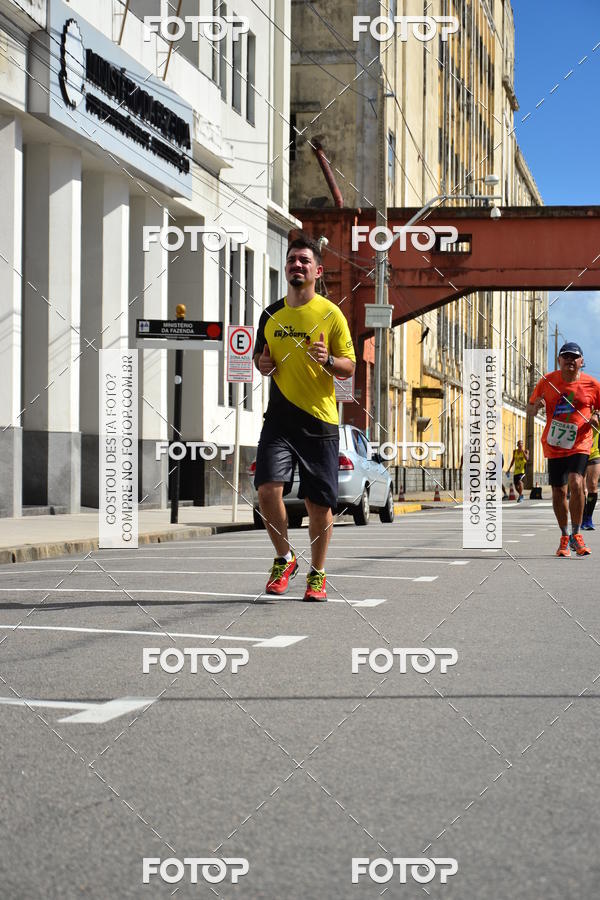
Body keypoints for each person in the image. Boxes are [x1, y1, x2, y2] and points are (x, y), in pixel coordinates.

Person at [253, 235, 356, 600]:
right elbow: (260, 358)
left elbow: (348, 365)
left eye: (304, 261)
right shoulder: (270, 314)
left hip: (319, 421)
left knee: (319, 505)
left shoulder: (331, 314)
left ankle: (318, 572)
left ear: (317, 270)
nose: (297, 265)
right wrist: (262, 364)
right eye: (292, 260)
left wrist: (328, 359)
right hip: (279, 417)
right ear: (287, 267)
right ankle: (284, 558)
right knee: (267, 490)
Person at [526, 342, 600, 557]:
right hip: (555, 444)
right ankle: (564, 536)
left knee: (577, 481)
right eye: (565, 356)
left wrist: (596, 416)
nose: (569, 360)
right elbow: (529, 409)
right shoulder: (547, 381)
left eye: (574, 357)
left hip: (580, 442)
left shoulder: (592, 385)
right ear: (559, 360)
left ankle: (577, 534)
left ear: (581, 362)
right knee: (559, 491)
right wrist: (536, 405)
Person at [582, 427, 600, 530]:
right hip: (579, 453)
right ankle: (583, 515)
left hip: (594, 454)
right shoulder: (580, 411)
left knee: (593, 485)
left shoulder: (597, 414)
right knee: (580, 487)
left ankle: (588, 517)